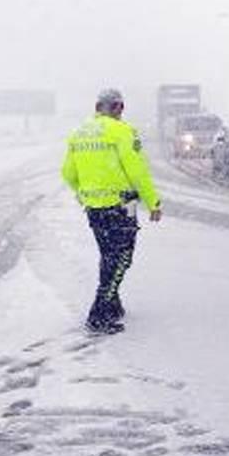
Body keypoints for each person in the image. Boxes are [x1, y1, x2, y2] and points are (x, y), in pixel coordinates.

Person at [62, 88, 162, 334]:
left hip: (95, 210)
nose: (122, 112)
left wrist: (83, 194)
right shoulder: (122, 132)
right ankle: (98, 314)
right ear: (116, 107)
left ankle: (112, 303)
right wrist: (153, 202)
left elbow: (68, 173)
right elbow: (137, 171)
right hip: (121, 206)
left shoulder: (78, 134)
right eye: (121, 107)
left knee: (108, 256)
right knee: (121, 259)